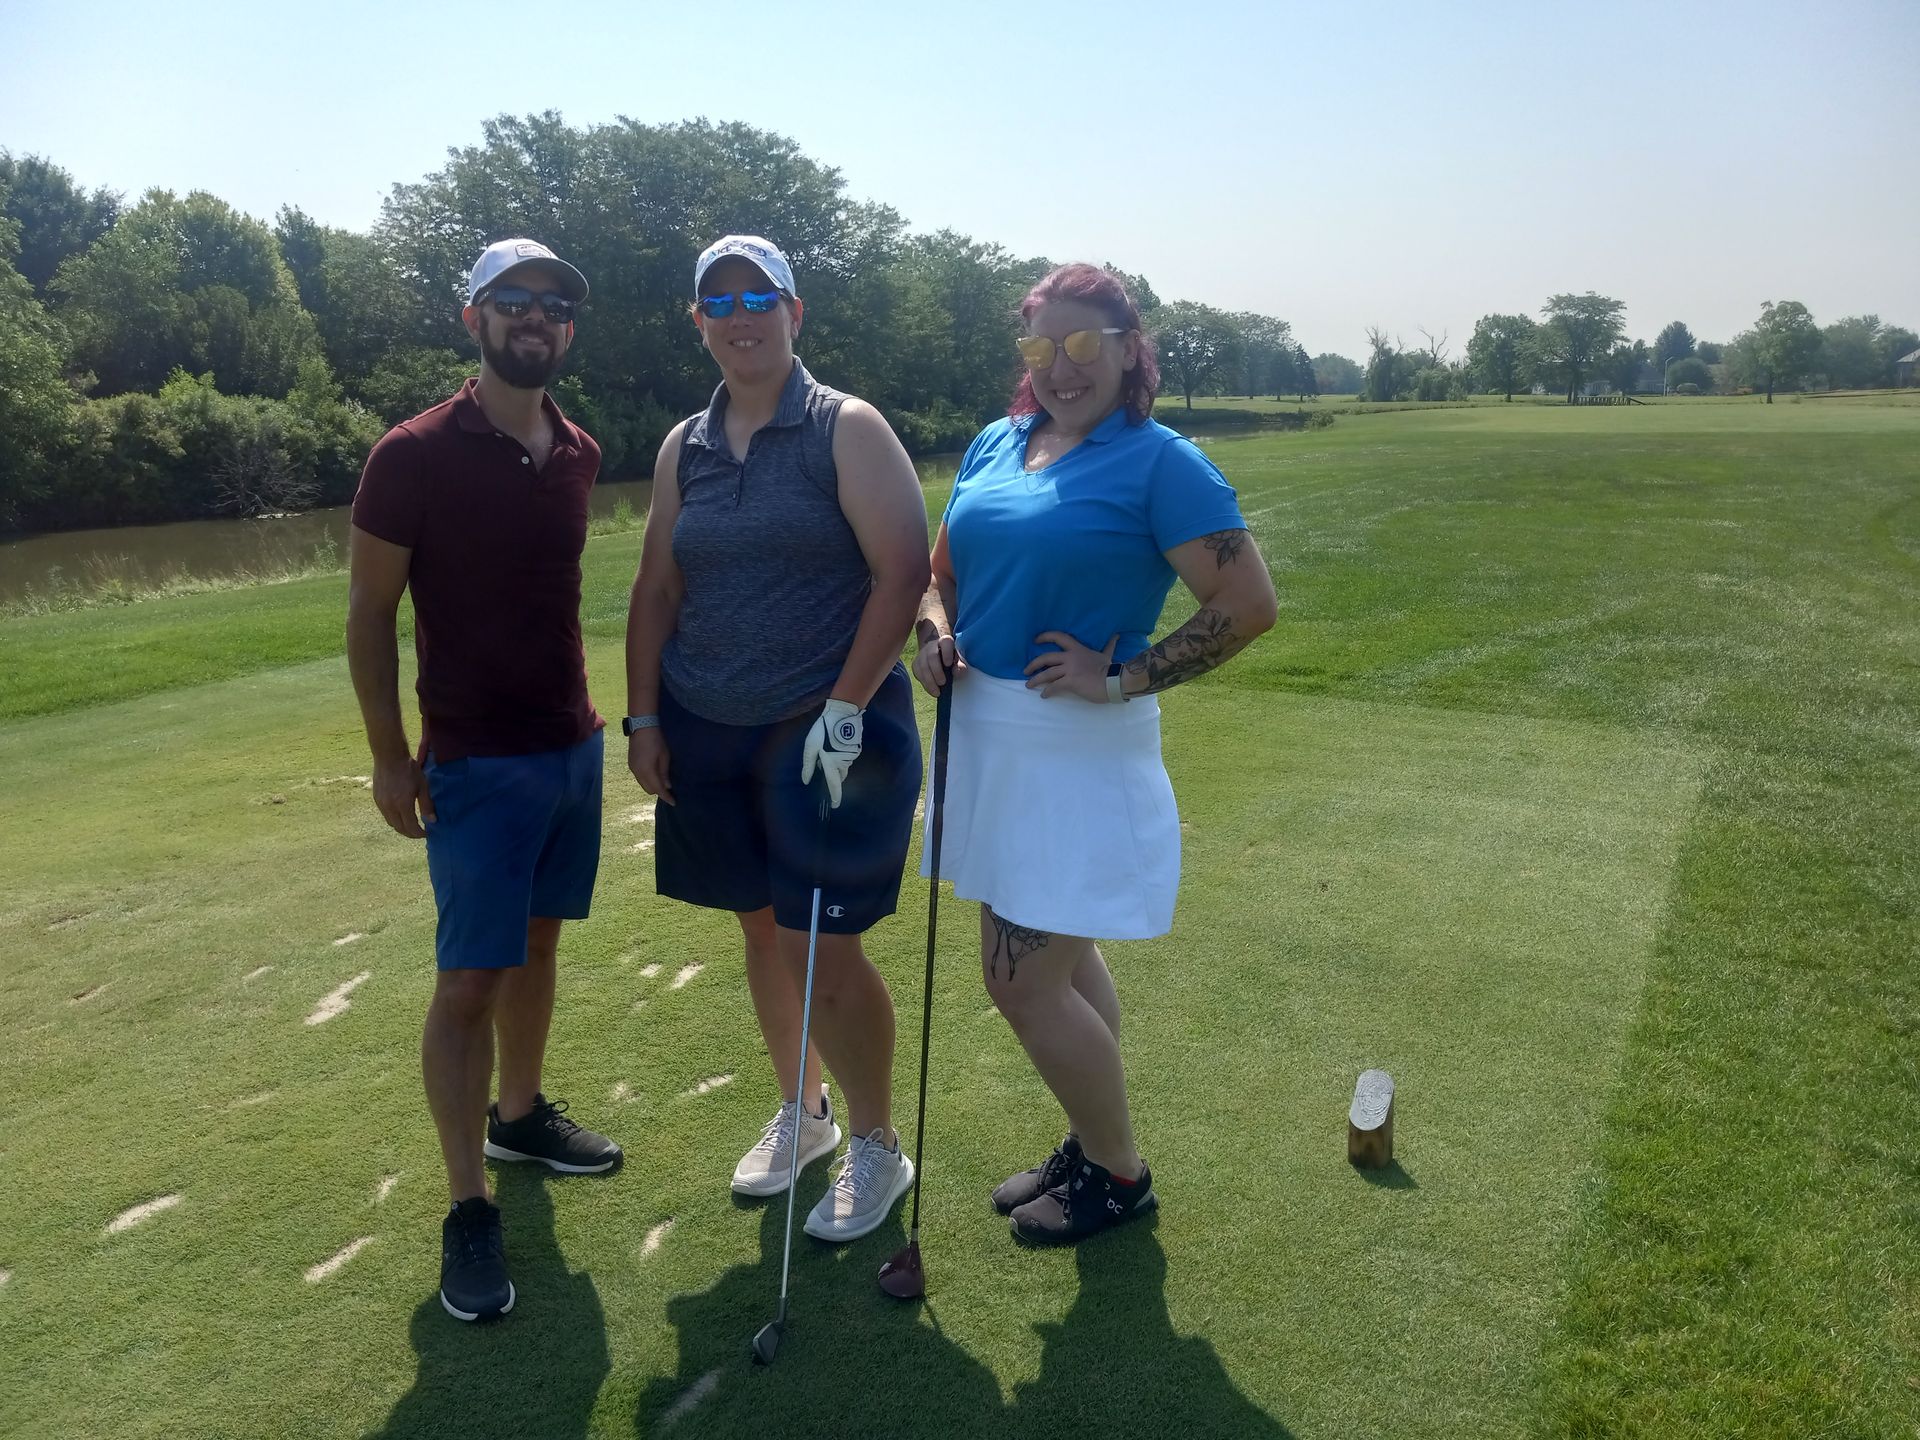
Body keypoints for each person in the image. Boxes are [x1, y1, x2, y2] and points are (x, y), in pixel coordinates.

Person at [911, 262, 1278, 1245]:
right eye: (1043, 347)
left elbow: (1247, 607)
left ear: (1127, 349)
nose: (1063, 368)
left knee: (1020, 978)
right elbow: (935, 575)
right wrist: (932, 633)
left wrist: (1121, 678)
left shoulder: (1160, 462)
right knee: (1057, 963)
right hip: (987, 737)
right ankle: (1092, 1133)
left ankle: (1119, 1173)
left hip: (1076, 751)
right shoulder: (998, 441)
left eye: (1084, 345)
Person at [624, 236, 931, 1241]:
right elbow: (658, 589)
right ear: (699, 319)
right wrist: (644, 716)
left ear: (796, 311)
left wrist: (844, 708)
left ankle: (879, 1144)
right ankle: (806, 1115)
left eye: (761, 294)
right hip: (710, 728)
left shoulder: (849, 428)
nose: (741, 312)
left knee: (822, 946)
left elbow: (901, 575)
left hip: (832, 732)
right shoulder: (686, 446)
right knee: (761, 930)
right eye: (721, 298)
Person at [347, 238, 623, 1323]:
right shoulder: (410, 454)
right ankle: (469, 1205)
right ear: (473, 318)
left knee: (542, 943)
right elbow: (370, 613)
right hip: (470, 758)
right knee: (469, 979)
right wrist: (386, 752)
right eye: (514, 303)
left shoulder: (581, 450)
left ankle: (520, 1115)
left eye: (555, 306)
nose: (536, 321)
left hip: (571, 744)